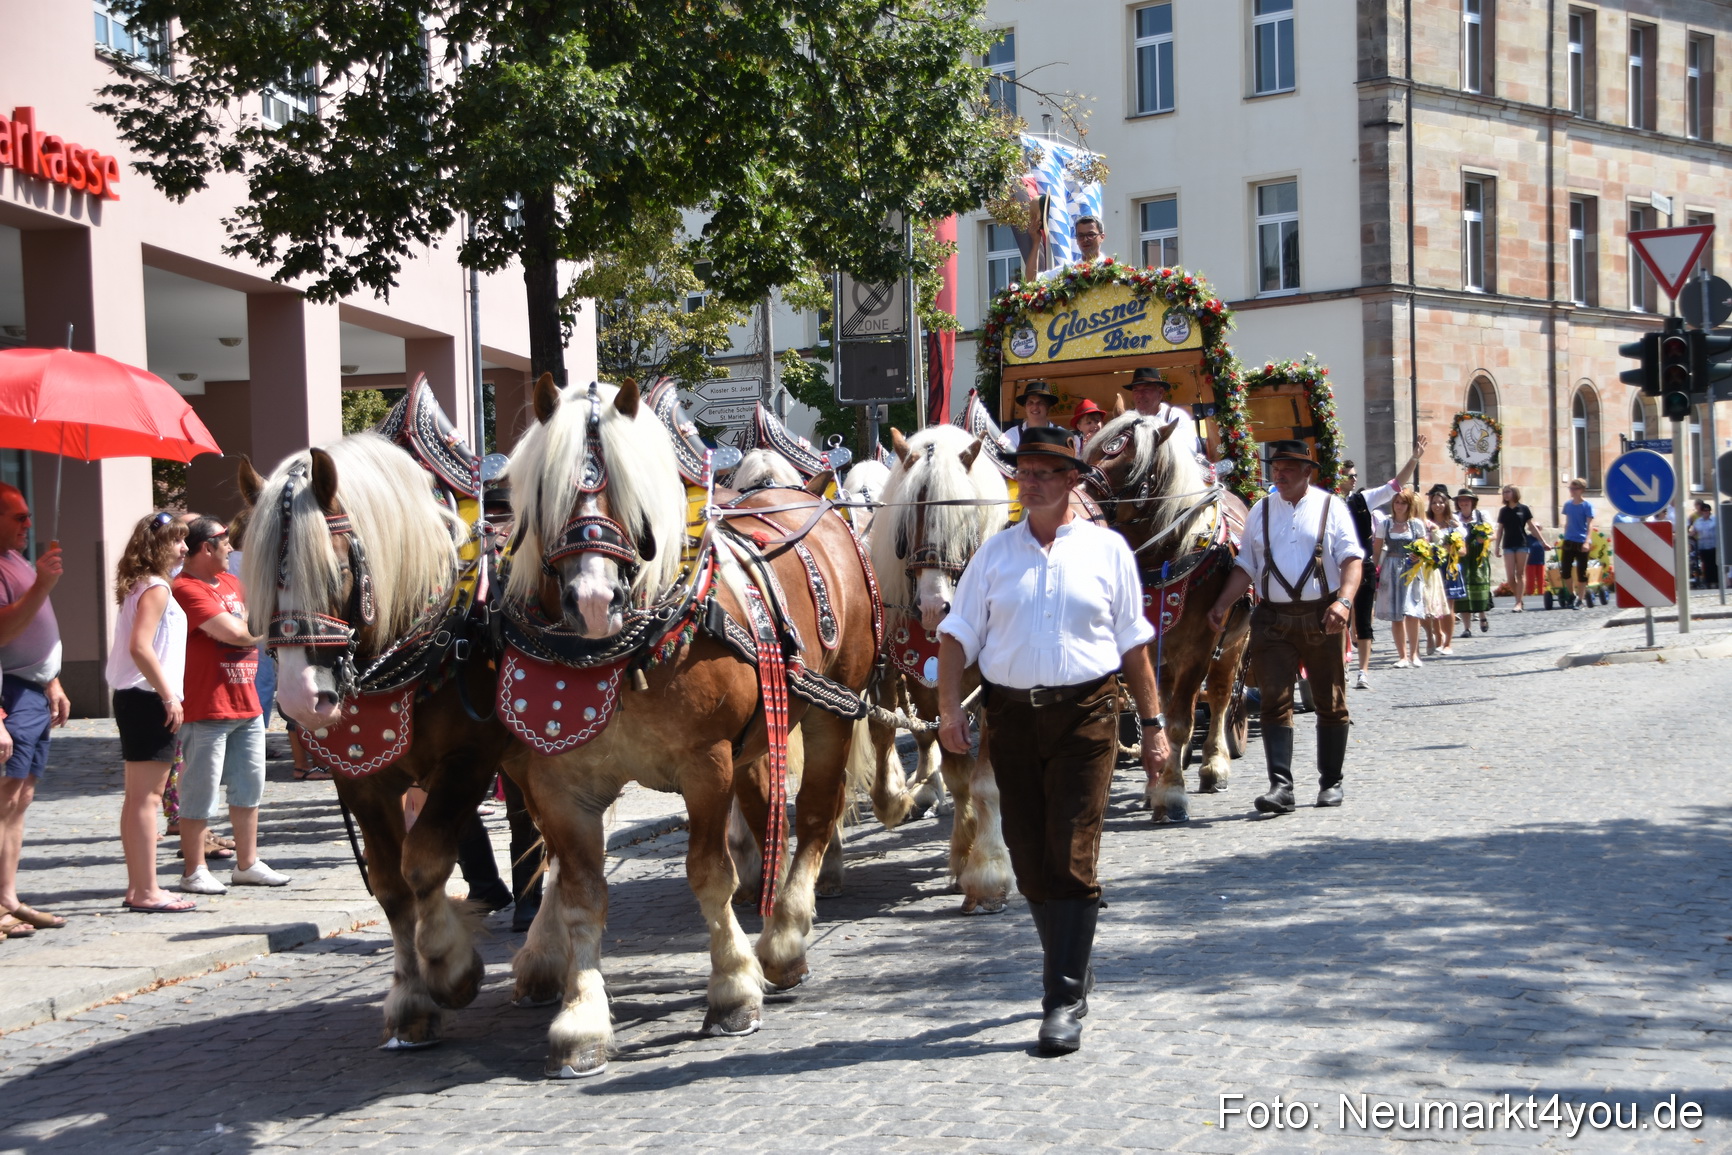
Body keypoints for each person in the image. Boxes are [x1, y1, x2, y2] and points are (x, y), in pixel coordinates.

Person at [935, 425, 1167, 1056]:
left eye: (1045, 472)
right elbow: (955, 635)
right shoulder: (994, 555)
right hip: (1010, 720)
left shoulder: (1108, 551)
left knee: (1071, 853)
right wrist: (949, 709)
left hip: (1086, 718)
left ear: (1073, 480)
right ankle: (1072, 951)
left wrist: (1153, 728)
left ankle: (1062, 996)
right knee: (1028, 855)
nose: (1030, 481)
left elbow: (1135, 645)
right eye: (1025, 471)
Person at [1207, 441, 1363, 815]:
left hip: (1321, 617)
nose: (1280, 472)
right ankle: (1281, 787)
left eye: (1289, 466)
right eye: (1277, 466)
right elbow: (1245, 564)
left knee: (1330, 702)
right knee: (1274, 702)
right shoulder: (1260, 510)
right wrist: (1222, 604)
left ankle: (1331, 782)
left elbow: (1352, 559)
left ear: (1308, 471)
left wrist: (1343, 601)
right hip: (1273, 618)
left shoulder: (1331, 506)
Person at [172, 516, 289, 893]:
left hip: (247, 703)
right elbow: (238, 633)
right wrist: (262, 627)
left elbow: (254, 619)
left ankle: (247, 863)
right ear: (205, 547)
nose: (231, 548)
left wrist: (255, 625)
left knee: (249, 787)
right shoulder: (185, 588)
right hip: (207, 705)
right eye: (225, 541)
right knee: (200, 792)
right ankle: (194, 869)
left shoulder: (231, 582)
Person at [107, 512, 197, 913]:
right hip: (146, 698)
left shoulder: (142, 585)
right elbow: (141, 647)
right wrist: (168, 696)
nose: (184, 548)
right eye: (177, 541)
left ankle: (138, 886)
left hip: (134, 697)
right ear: (157, 545)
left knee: (137, 798)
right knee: (146, 798)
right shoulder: (156, 587)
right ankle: (146, 890)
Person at [0, 483, 69, 939]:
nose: (28, 524)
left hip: (34, 688)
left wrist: (53, 679)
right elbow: (4, 632)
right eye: (17, 517)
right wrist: (43, 583)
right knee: (5, 797)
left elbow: (35, 629)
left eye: (28, 515)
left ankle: (7, 897)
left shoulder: (15, 559)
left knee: (20, 797)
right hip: (12, 691)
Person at [1337, 437, 1426, 689]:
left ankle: (1362, 672)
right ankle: (1342, 664)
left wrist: (1415, 458)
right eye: (1348, 475)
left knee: (1363, 620)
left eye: (1354, 475)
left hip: (1361, 566)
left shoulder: (1362, 499)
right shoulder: (1327, 501)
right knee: (1338, 620)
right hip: (1333, 568)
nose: (1353, 478)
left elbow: (1396, 485)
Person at [1374, 488, 1429, 668]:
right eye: (1397, 502)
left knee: (1412, 612)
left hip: (1410, 569)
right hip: (1391, 567)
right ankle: (1402, 655)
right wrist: (1375, 568)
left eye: (1403, 502)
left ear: (1409, 505)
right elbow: (1377, 548)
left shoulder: (1416, 525)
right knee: (1396, 614)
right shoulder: (1385, 524)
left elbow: (1425, 547)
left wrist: (1418, 555)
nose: (1399, 506)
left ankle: (1414, 653)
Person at [1123, 366, 1200, 458]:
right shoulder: (1127, 420)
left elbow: (1188, 450)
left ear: (1160, 392)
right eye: (1136, 390)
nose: (1140, 395)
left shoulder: (1176, 416)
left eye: (1146, 389)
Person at [1422, 484, 1460, 655]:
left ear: (1446, 504)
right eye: (1434, 502)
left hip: (1449, 567)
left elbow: (1464, 550)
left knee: (1449, 607)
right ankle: (1438, 635)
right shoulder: (1426, 524)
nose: (1437, 505)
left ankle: (1448, 644)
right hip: (1432, 566)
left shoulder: (1453, 524)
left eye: (1440, 502)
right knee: (1432, 605)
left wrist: (1451, 547)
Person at [1495, 486, 1545, 612]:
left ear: (1514, 493)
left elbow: (1532, 527)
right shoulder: (1503, 511)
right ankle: (1519, 598)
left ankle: (1518, 603)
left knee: (1520, 573)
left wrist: (1543, 542)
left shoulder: (1524, 509)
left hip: (1522, 543)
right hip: (1508, 545)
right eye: (1504, 492)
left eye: (1508, 491)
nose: (1505, 494)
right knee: (1510, 577)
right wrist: (1497, 546)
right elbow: (1500, 530)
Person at [1452, 489, 1493, 633]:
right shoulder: (1454, 517)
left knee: (1479, 588)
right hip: (1462, 558)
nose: (1463, 502)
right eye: (1461, 500)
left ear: (1472, 502)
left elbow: (1492, 533)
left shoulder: (1482, 515)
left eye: (1467, 500)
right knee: (1463, 592)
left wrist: (1483, 538)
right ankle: (1467, 628)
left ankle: (1482, 615)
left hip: (1478, 558)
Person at [1559, 478, 1595, 609]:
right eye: (1570, 488)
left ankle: (1581, 598)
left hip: (1581, 541)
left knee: (1582, 572)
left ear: (1581, 490)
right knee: (1565, 571)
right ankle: (1572, 594)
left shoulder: (1587, 505)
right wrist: (1564, 539)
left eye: (1574, 488)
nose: (1571, 491)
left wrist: (1586, 541)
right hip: (1569, 540)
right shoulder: (1568, 505)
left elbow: (1590, 525)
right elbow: (1567, 523)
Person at [1003, 381, 1061, 451]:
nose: (1035, 407)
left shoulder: (1061, 434)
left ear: (1047, 407)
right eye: (1030, 402)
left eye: (1040, 402)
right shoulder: (1012, 435)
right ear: (1025, 407)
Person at [1691, 500, 1719, 589]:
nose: (1706, 512)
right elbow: (1693, 532)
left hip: (1714, 546)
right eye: (1704, 511)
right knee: (1706, 565)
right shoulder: (1698, 521)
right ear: (1702, 512)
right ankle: (1708, 582)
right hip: (1703, 547)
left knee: (1714, 564)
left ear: (1710, 511)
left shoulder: (1715, 520)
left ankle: (1716, 582)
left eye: (1708, 511)